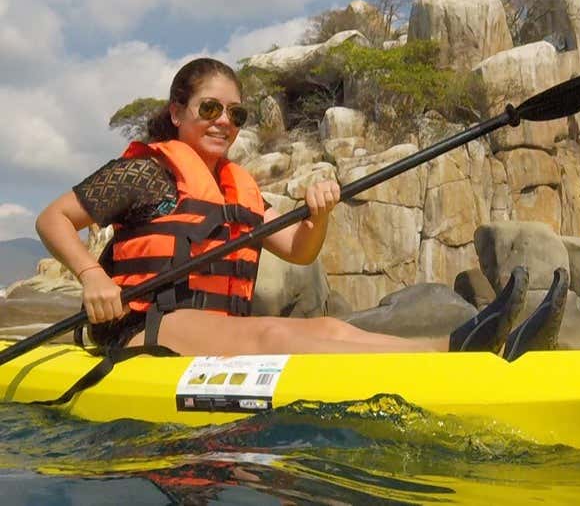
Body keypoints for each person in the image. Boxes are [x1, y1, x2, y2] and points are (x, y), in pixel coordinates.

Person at [36, 57, 552, 358]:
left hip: (215, 335)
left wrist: (319, 216)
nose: (223, 122)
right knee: (272, 331)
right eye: (209, 109)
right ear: (177, 112)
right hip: (139, 332)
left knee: (332, 328)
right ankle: (460, 351)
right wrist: (89, 274)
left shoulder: (239, 188)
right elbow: (52, 218)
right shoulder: (144, 173)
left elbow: (299, 251)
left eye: (234, 113)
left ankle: (467, 342)